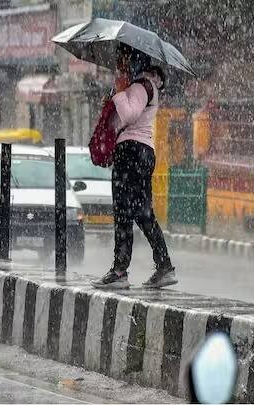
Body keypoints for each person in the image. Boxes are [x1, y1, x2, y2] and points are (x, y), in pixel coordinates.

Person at [92, 47, 177, 289]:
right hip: (138, 152)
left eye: (123, 61)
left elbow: (129, 115)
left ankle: (121, 271)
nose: (120, 66)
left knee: (124, 211)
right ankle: (163, 266)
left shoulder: (141, 86)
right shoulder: (141, 86)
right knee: (141, 211)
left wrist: (119, 94)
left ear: (134, 60)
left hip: (132, 151)